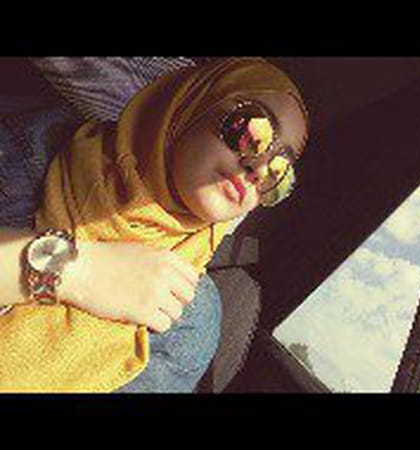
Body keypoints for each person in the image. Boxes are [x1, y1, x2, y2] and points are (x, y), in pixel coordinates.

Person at [0, 57, 309, 392]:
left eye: (279, 171)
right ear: (192, 103)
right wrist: (77, 271)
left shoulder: (190, 316)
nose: (259, 170)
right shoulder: (32, 145)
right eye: (253, 130)